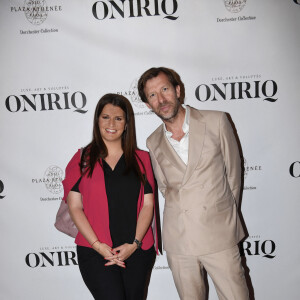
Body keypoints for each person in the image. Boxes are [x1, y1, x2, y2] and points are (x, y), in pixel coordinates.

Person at [138, 67, 249, 300]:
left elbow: (234, 177)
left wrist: (222, 215)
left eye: (165, 89)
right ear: (148, 105)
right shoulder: (153, 141)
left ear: (178, 90)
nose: (161, 99)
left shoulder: (216, 120)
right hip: (179, 240)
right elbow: (165, 188)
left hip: (219, 234)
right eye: (152, 95)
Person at [62, 93, 159, 300]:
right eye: (105, 117)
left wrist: (134, 244)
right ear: (97, 120)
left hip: (137, 250)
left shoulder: (143, 160)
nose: (111, 123)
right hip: (95, 251)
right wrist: (98, 246)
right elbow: (74, 207)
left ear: (126, 124)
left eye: (118, 118)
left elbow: (148, 205)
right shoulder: (81, 159)